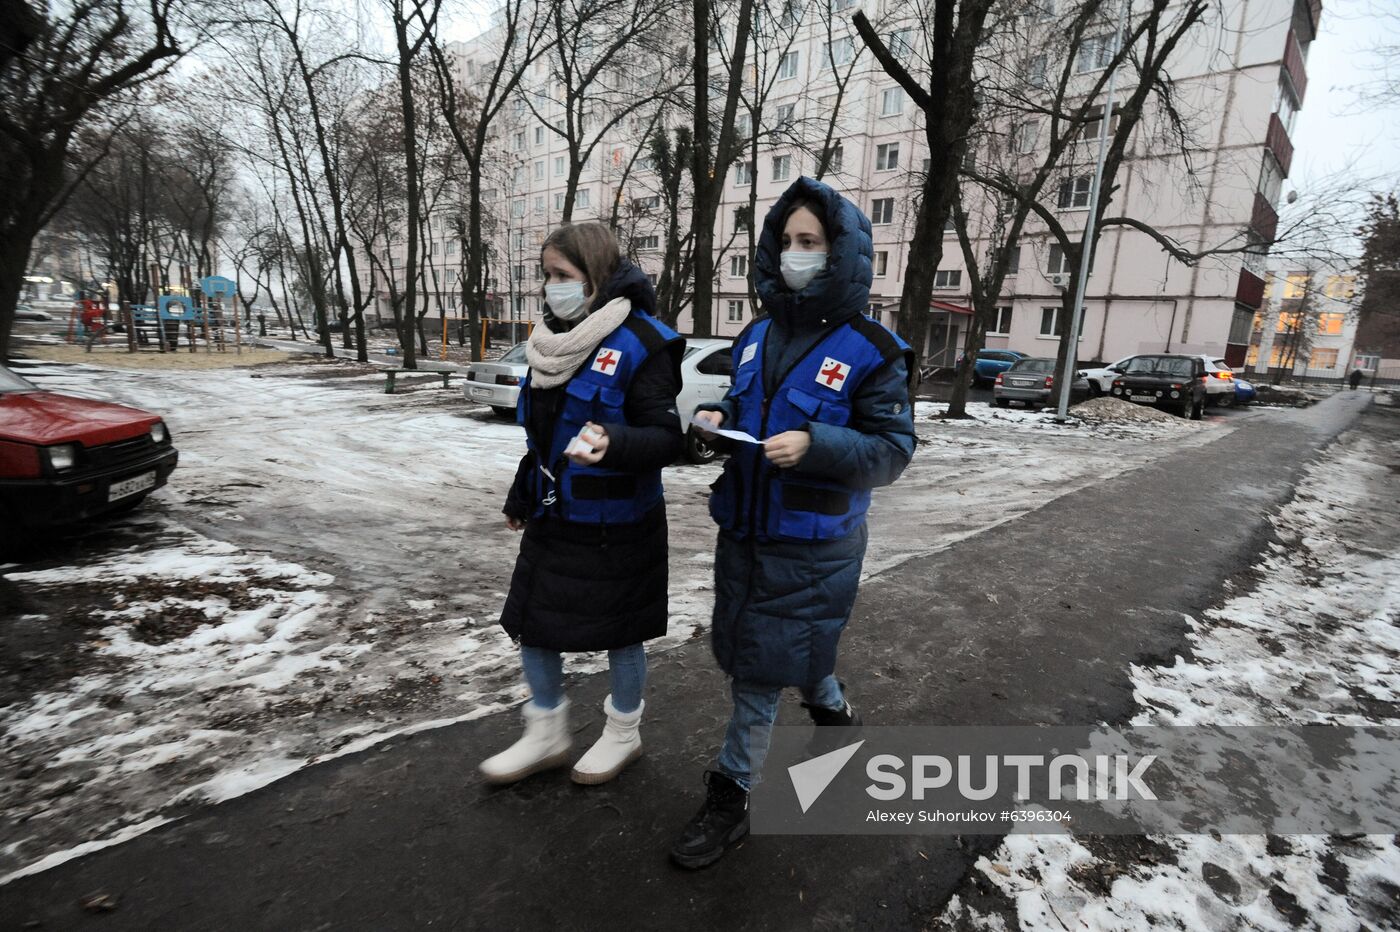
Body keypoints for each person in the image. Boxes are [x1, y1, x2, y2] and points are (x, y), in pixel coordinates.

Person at [670, 177, 917, 869]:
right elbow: (746, 415)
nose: (793, 254)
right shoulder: (754, 336)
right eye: (785, 242)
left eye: (809, 242)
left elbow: (892, 453)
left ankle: (733, 793)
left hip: (815, 544)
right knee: (790, 651)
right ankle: (836, 719)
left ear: (840, 253)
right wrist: (719, 424)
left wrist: (818, 445)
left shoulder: (873, 349)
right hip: (745, 534)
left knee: (758, 673)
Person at [481, 221, 685, 787]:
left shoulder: (644, 342)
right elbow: (544, 439)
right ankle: (545, 733)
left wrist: (614, 442)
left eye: (563, 275)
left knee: (622, 631)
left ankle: (624, 734)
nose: (552, 287)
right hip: (555, 514)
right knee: (535, 624)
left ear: (595, 278)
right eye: (546, 275)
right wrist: (525, 491)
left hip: (618, 521)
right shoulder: (549, 344)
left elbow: (669, 438)